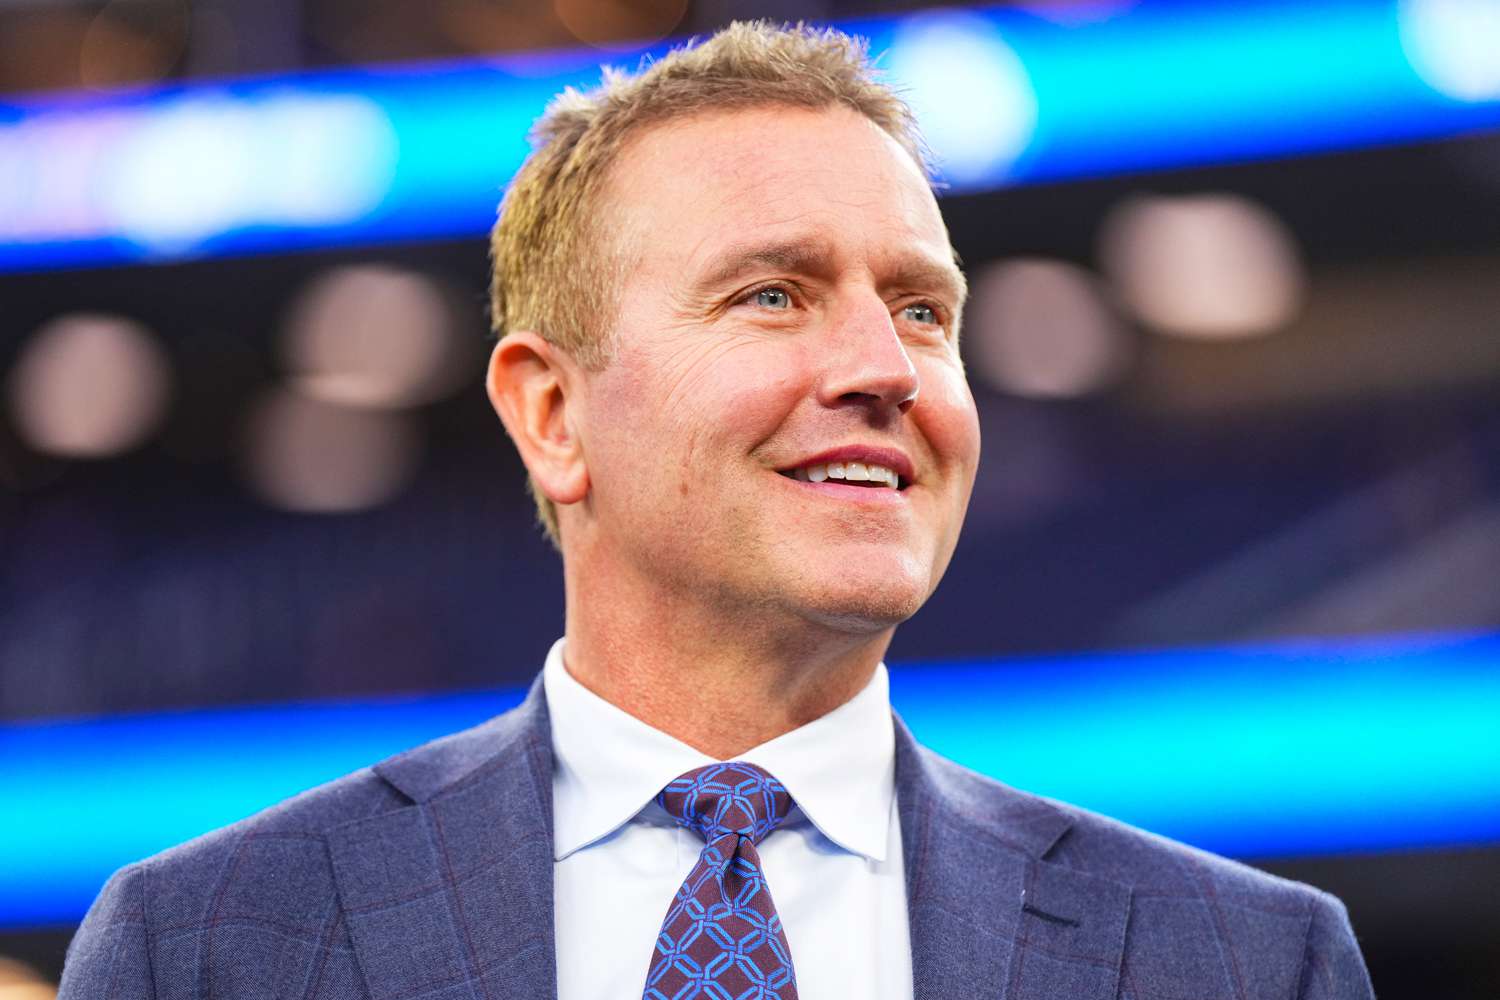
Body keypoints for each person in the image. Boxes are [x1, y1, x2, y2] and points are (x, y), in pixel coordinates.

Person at [60, 21, 1374, 1000]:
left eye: (923, 310)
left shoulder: (1252, 961)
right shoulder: (207, 945)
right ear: (553, 416)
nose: (885, 369)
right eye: (772, 295)